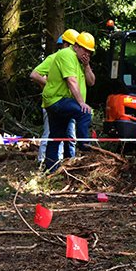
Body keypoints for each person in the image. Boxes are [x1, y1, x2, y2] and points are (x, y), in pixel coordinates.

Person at [30, 29, 88, 166]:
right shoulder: (58, 57)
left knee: (66, 136)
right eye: (75, 45)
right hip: (57, 101)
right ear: (67, 44)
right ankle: (44, 162)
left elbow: (88, 81)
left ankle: (65, 164)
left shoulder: (76, 61)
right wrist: (50, 85)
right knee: (53, 134)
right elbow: (34, 74)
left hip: (67, 102)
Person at [42, 31, 97, 172]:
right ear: (77, 46)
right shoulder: (67, 55)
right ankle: (85, 146)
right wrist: (81, 103)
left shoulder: (80, 61)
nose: (87, 54)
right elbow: (71, 81)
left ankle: (50, 169)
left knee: (56, 136)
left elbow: (91, 82)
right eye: (85, 50)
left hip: (61, 101)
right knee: (85, 113)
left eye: (90, 52)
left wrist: (86, 65)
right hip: (57, 99)